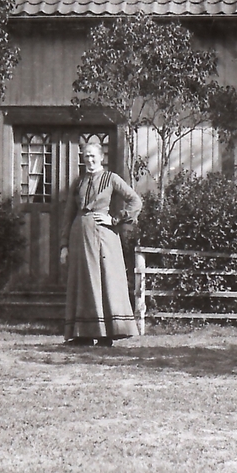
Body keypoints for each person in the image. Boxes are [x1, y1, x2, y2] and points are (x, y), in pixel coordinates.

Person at [59, 139, 142, 346]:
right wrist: (64, 245)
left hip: (104, 237)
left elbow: (135, 200)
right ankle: (83, 334)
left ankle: (107, 334)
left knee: (104, 281)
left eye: (93, 155)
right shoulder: (78, 182)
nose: (89, 159)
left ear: (101, 157)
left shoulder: (111, 178)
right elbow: (68, 214)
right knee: (83, 281)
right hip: (80, 236)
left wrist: (115, 219)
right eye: (86, 155)